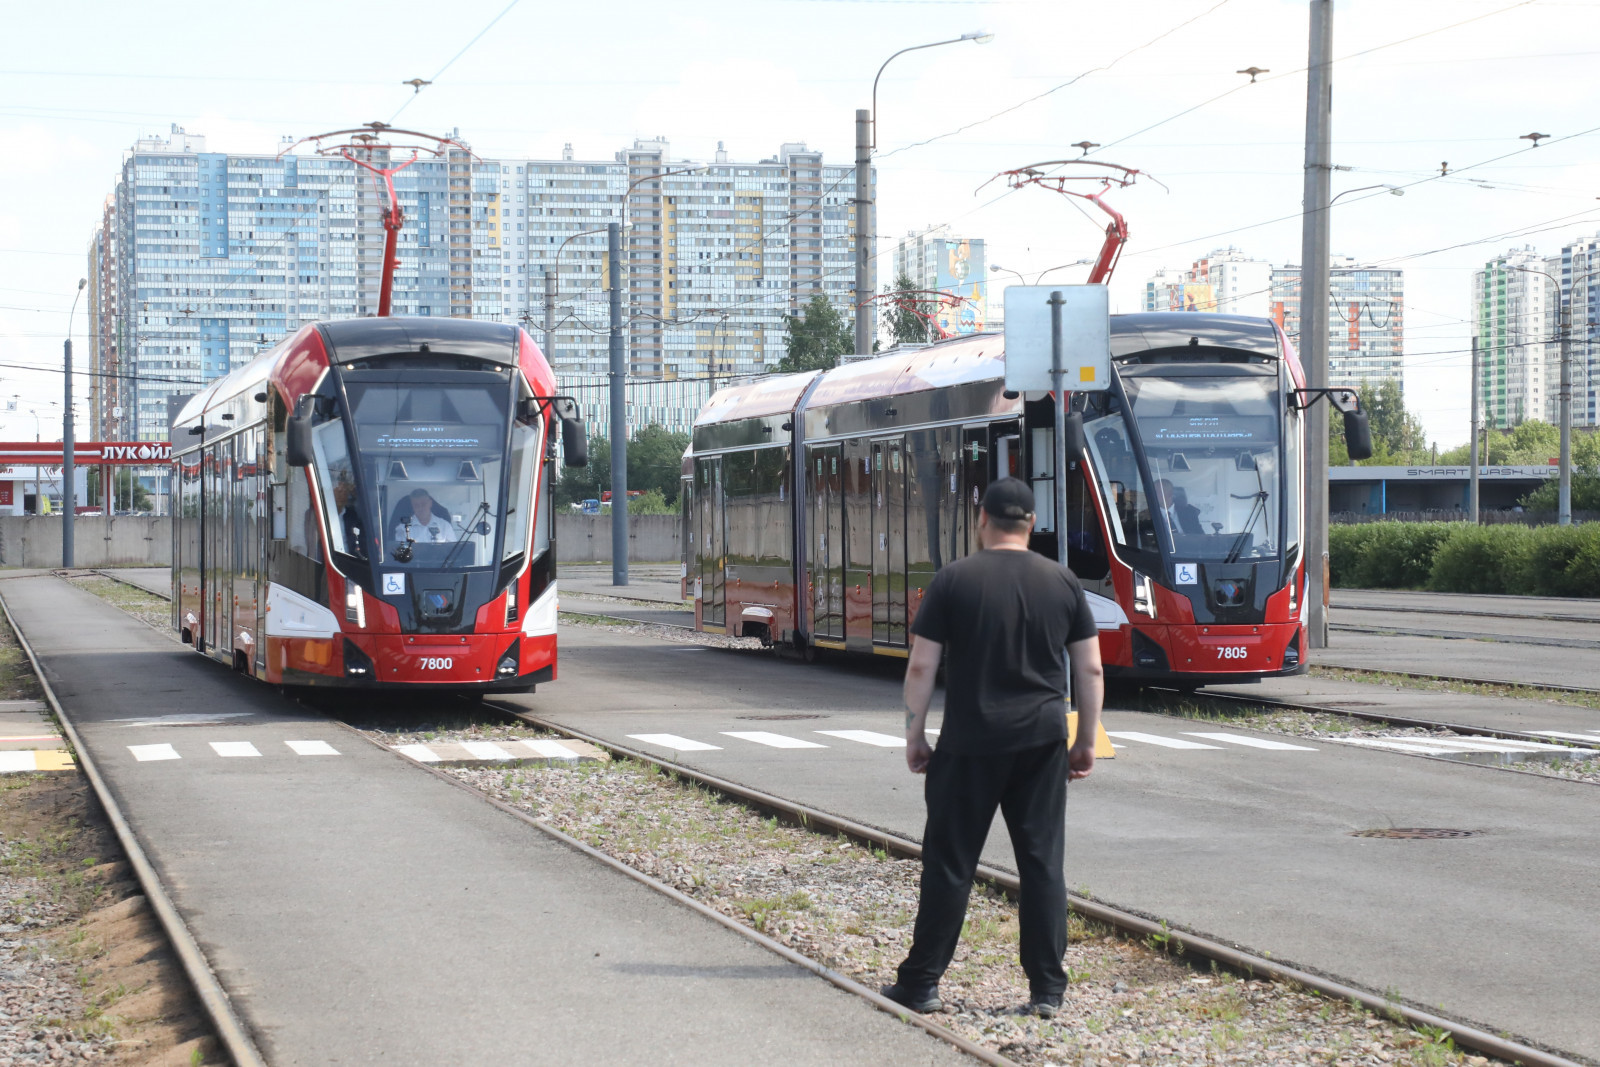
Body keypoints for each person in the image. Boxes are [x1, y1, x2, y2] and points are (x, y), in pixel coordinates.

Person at [882, 478, 1104, 1019]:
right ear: (1031, 524)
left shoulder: (953, 580)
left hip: (970, 744)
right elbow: (1090, 667)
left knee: (950, 863)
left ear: (982, 520)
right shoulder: (1064, 582)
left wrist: (915, 735)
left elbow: (920, 666)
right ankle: (1047, 991)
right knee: (1042, 865)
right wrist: (1084, 741)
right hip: (1041, 743)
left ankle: (922, 983)